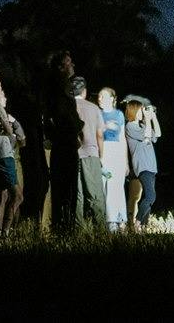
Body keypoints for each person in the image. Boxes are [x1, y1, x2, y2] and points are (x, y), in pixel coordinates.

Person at [0, 72, 27, 235]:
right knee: (18, 196)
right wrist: (13, 135)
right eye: (0, 85)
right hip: (3, 155)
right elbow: (9, 130)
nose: (1, 89)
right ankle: (6, 233)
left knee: (1, 196)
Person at [44, 51, 79, 233]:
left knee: (61, 187)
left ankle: (61, 225)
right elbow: (64, 113)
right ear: (61, 67)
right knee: (67, 187)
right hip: (66, 142)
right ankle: (65, 227)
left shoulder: (55, 87)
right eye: (68, 62)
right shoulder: (61, 87)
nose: (72, 64)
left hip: (62, 141)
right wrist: (76, 126)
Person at [70, 77, 107, 233]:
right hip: (90, 154)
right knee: (95, 195)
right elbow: (100, 135)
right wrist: (101, 156)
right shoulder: (93, 108)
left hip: (72, 156)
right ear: (84, 91)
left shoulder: (68, 107)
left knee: (77, 195)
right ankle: (100, 230)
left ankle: (79, 231)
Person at [122, 97, 160, 228]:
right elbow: (147, 135)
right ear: (133, 111)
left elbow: (158, 135)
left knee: (148, 198)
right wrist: (148, 120)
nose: (141, 112)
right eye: (139, 110)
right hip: (142, 166)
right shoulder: (130, 126)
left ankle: (143, 226)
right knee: (151, 196)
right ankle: (137, 223)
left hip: (151, 166)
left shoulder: (143, 125)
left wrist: (153, 117)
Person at [97, 87, 128, 228]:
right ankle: (109, 222)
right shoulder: (98, 114)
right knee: (105, 186)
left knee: (116, 186)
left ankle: (120, 220)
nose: (100, 99)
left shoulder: (119, 115)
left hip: (116, 152)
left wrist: (126, 161)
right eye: (99, 97)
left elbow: (122, 139)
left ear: (111, 99)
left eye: (103, 96)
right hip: (103, 151)